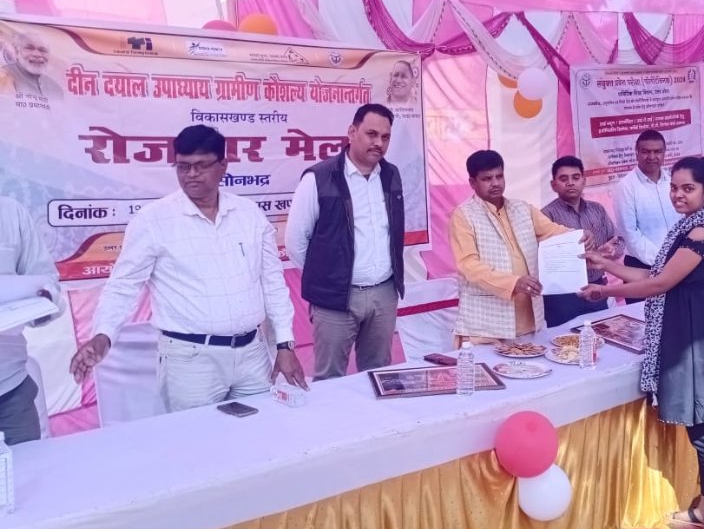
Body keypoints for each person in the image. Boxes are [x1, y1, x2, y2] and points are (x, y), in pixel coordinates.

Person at [69, 125, 307, 411]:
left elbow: (272, 283)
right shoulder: (153, 221)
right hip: (190, 362)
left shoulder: (249, 215)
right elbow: (123, 286)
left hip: (252, 355)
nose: (191, 174)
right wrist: (103, 334)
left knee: (260, 432)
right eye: (183, 166)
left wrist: (284, 345)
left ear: (223, 166)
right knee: (197, 438)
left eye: (201, 166)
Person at [579, 157, 704, 529]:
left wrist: (604, 291)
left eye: (688, 188)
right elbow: (652, 274)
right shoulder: (685, 228)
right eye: (674, 187)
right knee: (697, 425)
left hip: (696, 337)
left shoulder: (701, 232)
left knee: (703, 430)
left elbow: (660, 283)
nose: (678, 195)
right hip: (685, 328)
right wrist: (606, 265)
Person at [286, 104, 405, 380]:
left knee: (379, 375)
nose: (379, 143)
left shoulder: (391, 175)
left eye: (385, 137)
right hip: (336, 299)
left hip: (383, 293)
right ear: (352, 132)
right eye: (371, 134)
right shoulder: (318, 178)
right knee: (330, 378)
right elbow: (295, 242)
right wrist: (329, 279)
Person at [449, 150, 596, 343]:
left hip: (529, 319)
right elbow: (469, 266)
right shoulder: (463, 215)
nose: (495, 183)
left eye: (499, 176)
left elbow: (552, 230)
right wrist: (513, 283)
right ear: (472, 182)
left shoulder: (522, 208)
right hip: (487, 324)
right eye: (487, 179)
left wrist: (578, 235)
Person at [0, 197, 61, 445]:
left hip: (10, 391)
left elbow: (47, 280)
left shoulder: (10, 212)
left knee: (29, 468)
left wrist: (44, 302)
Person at [540, 155, 624, 327]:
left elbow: (618, 240)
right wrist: (588, 256)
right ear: (553, 185)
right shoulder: (546, 216)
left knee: (600, 336)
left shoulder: (597, 210)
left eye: (576, 177)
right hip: (563, 296)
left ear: (584, 181)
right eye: (564, 179)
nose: (570, 183)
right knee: (564, 339)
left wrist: (612, 250)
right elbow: (546, 261)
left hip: (597, 289)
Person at [615, 130, 682, 304]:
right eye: (646, 151)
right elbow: (629, 233)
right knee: (641, 319)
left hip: (676, 265)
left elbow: (683, 221)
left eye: (657, 151)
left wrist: (678, 259)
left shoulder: (673, 182)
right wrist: (661, 259)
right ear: (636, 153)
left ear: (664, 153)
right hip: (640, 267)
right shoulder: (626, 186)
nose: (652, 157)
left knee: (676, 316)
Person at [0, 31, 63, 100]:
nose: (37, 54)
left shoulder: (55, 88)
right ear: (17, 52)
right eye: (29, 48)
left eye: (43, 50)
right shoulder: (5, 76)